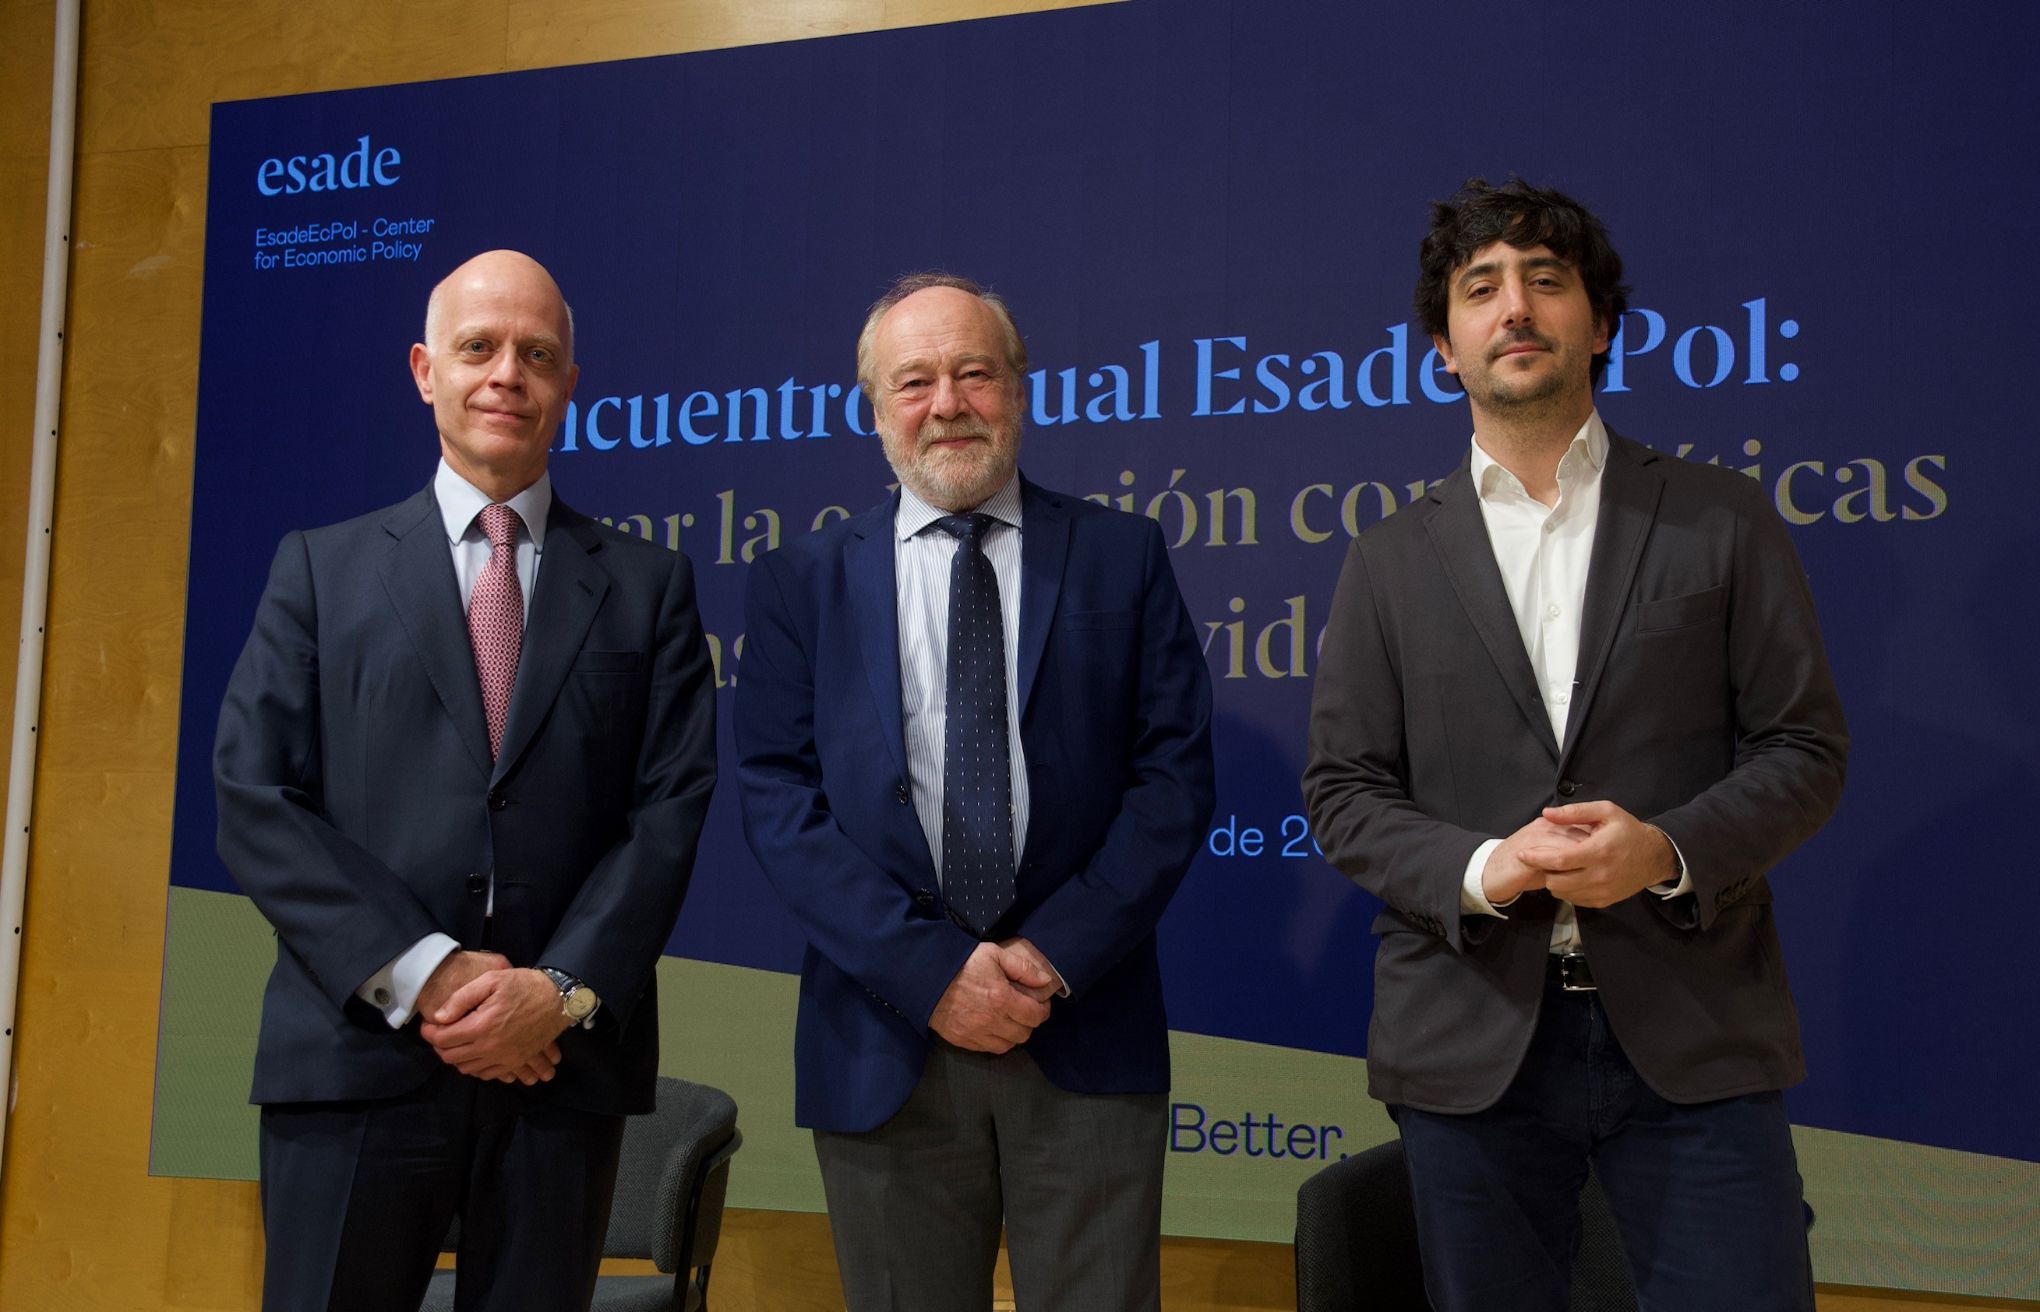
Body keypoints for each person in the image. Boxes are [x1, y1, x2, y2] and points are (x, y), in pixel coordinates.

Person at [1302, 179, 1848, 1311]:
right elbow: (1346, 791)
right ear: (1443, 349)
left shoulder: (1719, 516)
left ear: (1600, 325)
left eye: (1546, 281)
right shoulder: (1388, 558)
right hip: (1470, 1040)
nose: (1515, 307)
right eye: (1481, 288)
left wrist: (1666, 850)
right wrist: (1483, 867)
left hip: (1694, 1028)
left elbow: (1803, 748)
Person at [214, 249, 717, 1311]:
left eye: (536, 354)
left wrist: (555, 993)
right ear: (423, 370)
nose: (506, 376)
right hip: (355, 1059)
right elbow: (256, 800)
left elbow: (667, 814)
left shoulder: (649, 586)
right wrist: (430, 974)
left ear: (569, 382)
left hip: (558, 1069)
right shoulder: (319, 570)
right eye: (478, 348)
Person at [735, 272, 1214, 1310]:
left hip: (1082, 1024)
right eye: (914, 381)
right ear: (875, 409)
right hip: (883, 1036)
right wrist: (932, 972)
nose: (947, 402)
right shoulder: (799, 581)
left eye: (974, 373)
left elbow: (1173, 777)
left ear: (1020, 389)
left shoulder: (1121, 555)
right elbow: (778, 800)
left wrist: (1051, 956)